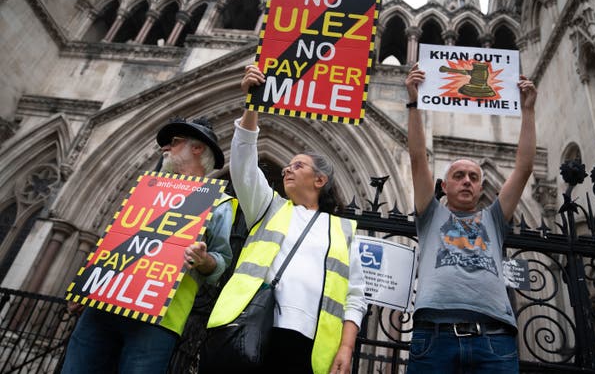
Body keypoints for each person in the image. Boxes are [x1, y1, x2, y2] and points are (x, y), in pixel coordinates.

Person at [205, 65, 367, 374]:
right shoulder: (269, 207)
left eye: (298, 165)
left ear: (320, 180)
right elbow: (243, 165)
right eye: (287, 165)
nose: (286, 169)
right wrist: (251, 105)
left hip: (308, 343)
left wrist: (346, 347)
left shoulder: (344, 231)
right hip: (251, 325)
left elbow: (355, 296)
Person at [61, 117, 235, 374]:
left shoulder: (219, 203)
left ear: (197, 148)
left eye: (174, 142)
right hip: (104, 306)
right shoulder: (147, 191)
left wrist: (204, 260)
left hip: (158, 319)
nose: (165, 147)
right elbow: (116, 242)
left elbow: (221, 262)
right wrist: (87, 287)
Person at [404, 63, 537, 373]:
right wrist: (413, 101)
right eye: (459, 175)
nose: (466, 181)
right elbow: (417, 157)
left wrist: (528, 111)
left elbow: (524, 168)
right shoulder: (430, 214)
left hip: (494, 339)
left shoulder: (494, 219)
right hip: (434, 335)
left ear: (481, 188)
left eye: (473, 177)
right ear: (444, 186)